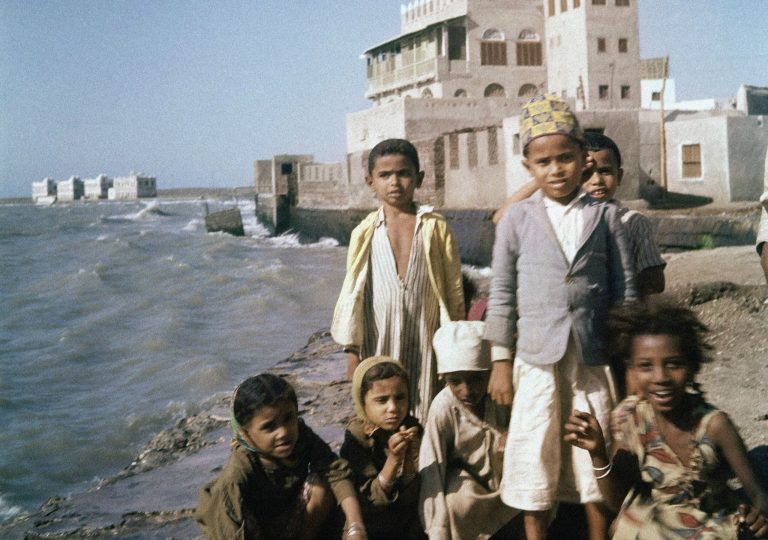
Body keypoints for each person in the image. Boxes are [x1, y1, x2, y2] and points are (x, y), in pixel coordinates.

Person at [484, 93, 636, 540]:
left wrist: (628, 360)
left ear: (583, 158)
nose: (556, 170)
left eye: (565, 158)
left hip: (591, 359)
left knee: (593, 453)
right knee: (535, 451)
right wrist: (500, 361)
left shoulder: (605, 217)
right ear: (528, 167)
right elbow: (501, 292)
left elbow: (625, 291)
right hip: (536, 359)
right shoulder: (516, 219)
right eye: (544, 162)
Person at [565, 299, 768, 539]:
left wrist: (759, 517)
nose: (660, 377)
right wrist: (598, 453)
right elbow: (617, 502)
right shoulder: (630, 419)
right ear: (632, 370)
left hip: (710, 527)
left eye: (673, 364)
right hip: (653, 526)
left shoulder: (714, 425)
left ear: (692, 368)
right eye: (646, 366)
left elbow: (758, 494)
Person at [331, 138, 465, 421]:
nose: (394, 182)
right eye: (385, 175)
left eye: (403, 173)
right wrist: (352, 353)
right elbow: (354, 294)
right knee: (382, 410)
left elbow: (453, 290)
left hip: (426, 338)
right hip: (379, 339)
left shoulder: (435, 227)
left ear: (419, 178)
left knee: (428, 409)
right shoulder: (364, 232)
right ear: (370, 182)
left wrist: (454, 349)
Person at [196, 373, 367, 540]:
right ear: (246, 434)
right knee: (239, 511)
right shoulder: (240, 467)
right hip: (255, 531)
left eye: (288, 418)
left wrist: (355, 527)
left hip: (294, 523)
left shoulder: (302, 437)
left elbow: (336, 472)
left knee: (323, 483)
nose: (283, 432)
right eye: (269, 427)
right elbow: (227, 525)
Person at [419, 321, 519, 540]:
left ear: (490, 373)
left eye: (476, 379)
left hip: (508, 478)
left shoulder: (504, 393)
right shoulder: (443, 407)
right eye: (456, 382)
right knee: (458, 503)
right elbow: (432, 469)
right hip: (469, 485)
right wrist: (437, 528)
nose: (467, 391)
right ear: (443, 378)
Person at [340, 356, 425, 540]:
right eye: (382, 400)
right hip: (371, 522)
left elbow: (412, 495)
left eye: (400, 397)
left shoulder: (413, 428)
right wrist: (393, 460)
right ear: (362, 402)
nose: (393, 408)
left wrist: (410, 459)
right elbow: (368, 501)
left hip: (406, 521)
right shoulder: (357, 436)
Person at [581, 132, 666, 297]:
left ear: (619, 176)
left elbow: (655, 282)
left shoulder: (633, 223)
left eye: (605, 171)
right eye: (586, 173)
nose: (597, 180)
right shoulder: (568, 220)